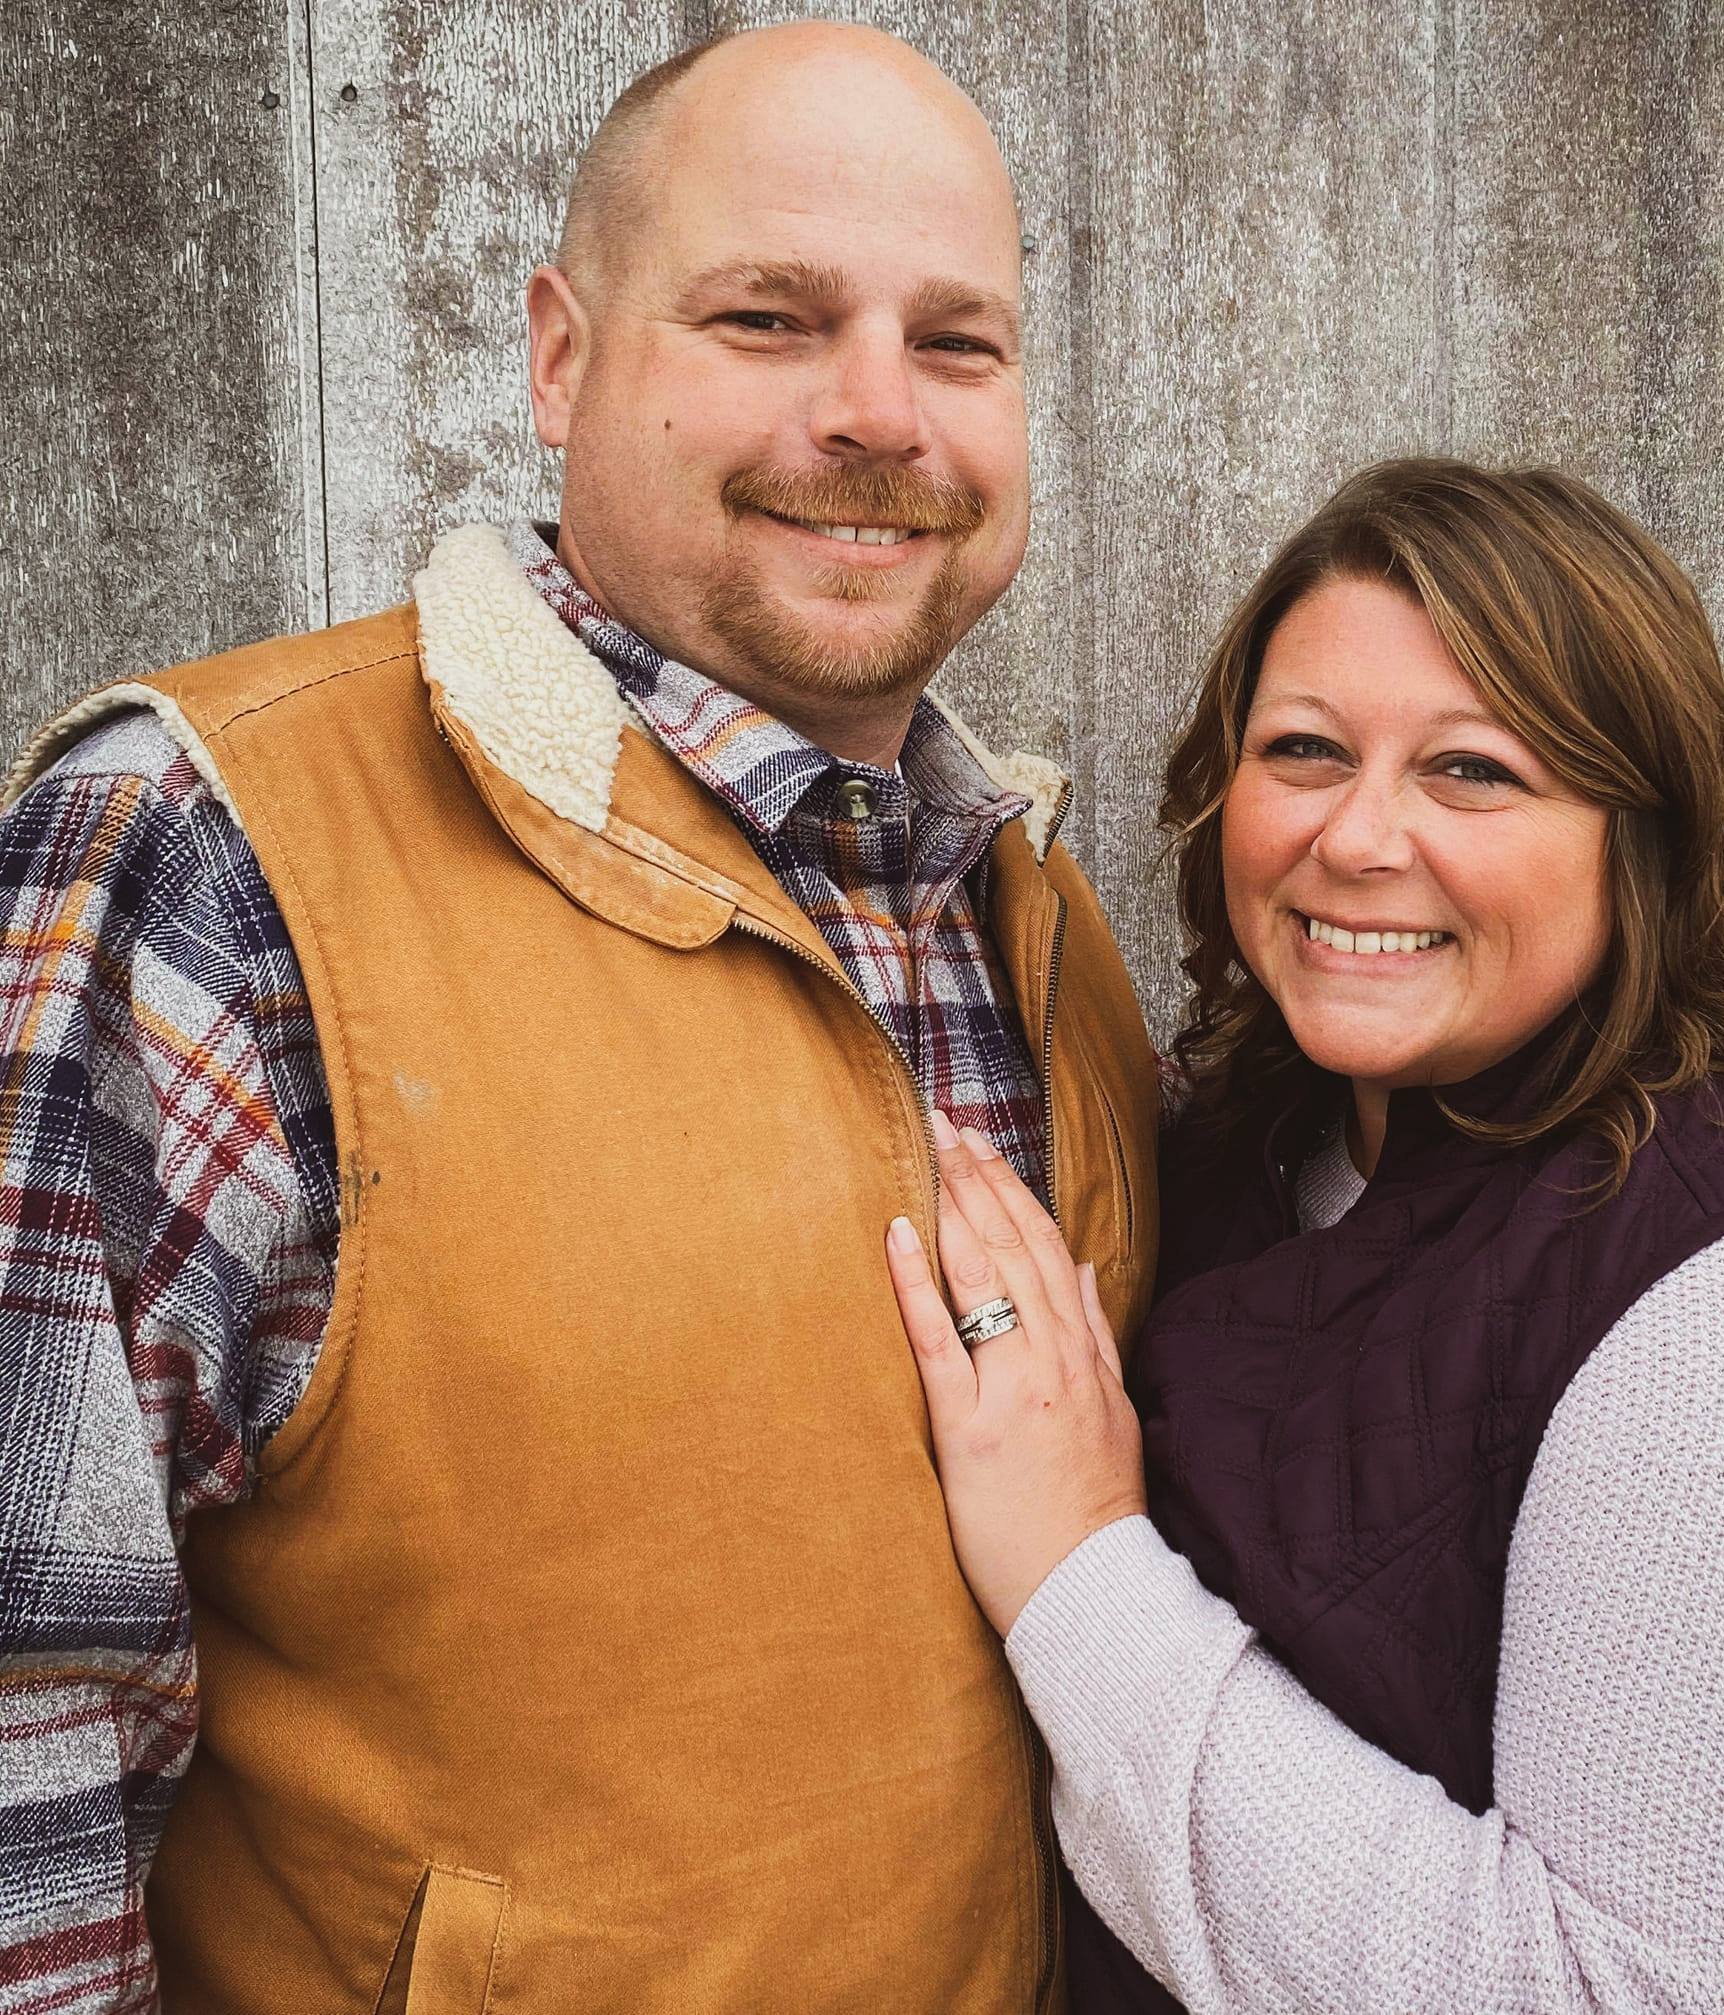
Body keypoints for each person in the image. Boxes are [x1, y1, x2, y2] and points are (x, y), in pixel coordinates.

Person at [0, 23, 1158, 2013]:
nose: (879, 411)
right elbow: (29, 1724)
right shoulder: (204, 851)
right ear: (559, 356)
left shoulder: (1031, 918)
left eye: (954, 344)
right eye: (770, 318)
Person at [886, 459, 1724, 2013]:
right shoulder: (1221, 1155)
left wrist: (1079, 1571)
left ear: (1645, 839)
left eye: (1473, 771)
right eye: (1304, 751)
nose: (1357, 838)